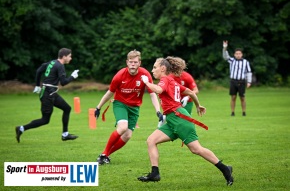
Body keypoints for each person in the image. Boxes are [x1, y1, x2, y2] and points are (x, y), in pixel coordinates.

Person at [137, 56, 234, 186]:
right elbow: (191, 92)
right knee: (151, 140)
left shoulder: (165, 80)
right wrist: (198, 105)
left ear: (163, 68)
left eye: (155, 67)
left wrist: (146, 82)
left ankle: (225, 169)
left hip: (179, 119)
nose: (152, 70)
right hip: (173, 120)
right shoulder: (171, 81)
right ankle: (155, 173)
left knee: (196, 149)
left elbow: (159, 90)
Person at [94, 49, 162, 165]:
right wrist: (98, 107)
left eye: (135, 62)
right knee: (122, 127)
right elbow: (109, 93)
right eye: (131, 62)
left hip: (134, 108)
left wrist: (158, 111)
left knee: (127, 135)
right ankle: (104, 154)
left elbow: (152, 94)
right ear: (127, 62)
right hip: (120, 104)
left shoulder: (145, 75)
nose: (133, 64)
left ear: (139, 63)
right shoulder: (119, 76)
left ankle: (106, 155)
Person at [15, 48, 79, 143]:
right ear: (64, 56)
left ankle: (65, 135)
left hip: (50, 92)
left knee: (67, 108)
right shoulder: (60, 66)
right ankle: (21, 128)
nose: (71, 58)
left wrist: (37, 85)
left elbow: (39, 71)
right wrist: (72, 76)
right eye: (69, 56)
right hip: (48, 94)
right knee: (45, 120)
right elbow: (63, 82)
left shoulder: (52, 62)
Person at [222, 40, 252, 116]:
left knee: (242, 97)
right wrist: (225, 48)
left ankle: (244, 112)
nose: (238, 55)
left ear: (242, 54)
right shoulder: (232, 60)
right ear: (234, 55)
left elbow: (249, 72)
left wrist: (249, 82)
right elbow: (225, 57)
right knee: (233, 97)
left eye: (239, 54)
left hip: (241, 81)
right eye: (236, 54)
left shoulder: (245, 62)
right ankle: (232, 112)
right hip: (233, 81)